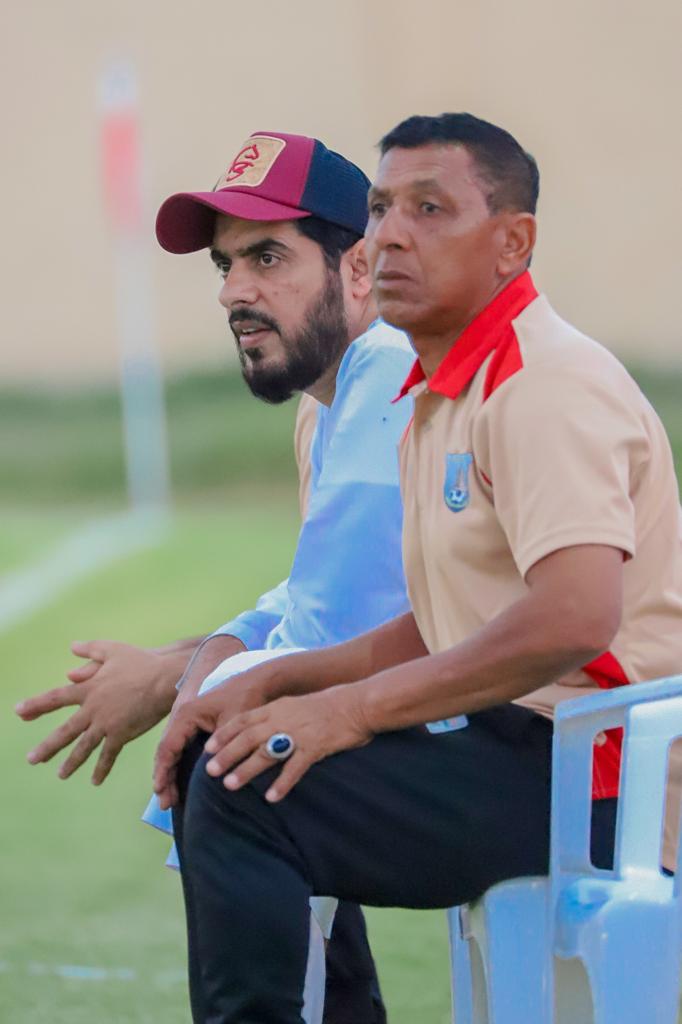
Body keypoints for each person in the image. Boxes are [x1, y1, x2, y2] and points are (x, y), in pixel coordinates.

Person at [152, 112, 682, 1024]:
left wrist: (348, 710)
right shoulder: (440, 390)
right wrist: (276, 681)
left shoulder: (543, 383)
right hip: (527, 745)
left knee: (248, 793)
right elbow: (446, 622)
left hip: (602, 777)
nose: (391, 235)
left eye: (429, 209)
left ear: (512, 242)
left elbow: (574, 618)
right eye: (382, 208)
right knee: (240, 751)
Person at [16, 130, 419, 1024]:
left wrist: (177, 684)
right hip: (493, 717)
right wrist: (189, 663)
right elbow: (313, 600)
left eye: (268, 257)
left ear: (358, 268)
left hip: (561, 741)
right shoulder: (333, 400)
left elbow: (336, 629)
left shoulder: (389, 374)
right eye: (225, 265)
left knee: (233, 757)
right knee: (254, 738)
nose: (235, 291)